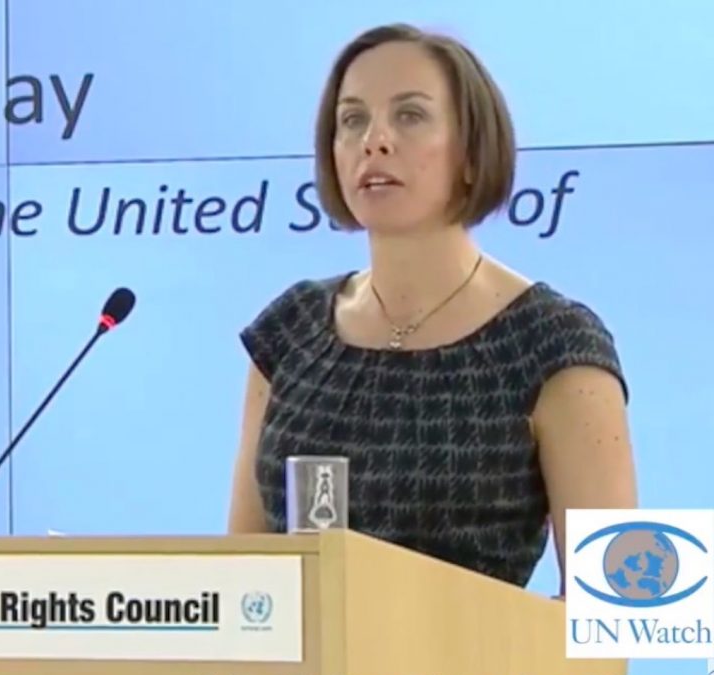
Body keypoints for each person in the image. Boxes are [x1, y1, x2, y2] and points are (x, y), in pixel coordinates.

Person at [226, 23, 637, 595]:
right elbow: (240, 583)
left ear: (471, 154)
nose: (375, 140)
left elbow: (627, 608)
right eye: (353, 120)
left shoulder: (555, 342)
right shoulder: (290, 330)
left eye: (410, 115)